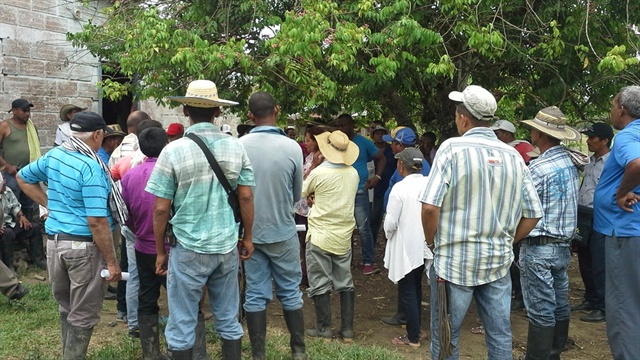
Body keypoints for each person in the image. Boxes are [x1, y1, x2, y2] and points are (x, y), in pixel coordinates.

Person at [420, 85, 543, 360]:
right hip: (497, 262)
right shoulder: (513, 156)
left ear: (463, 118)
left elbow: (429, 207)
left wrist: (431, 243)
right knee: (500, 336)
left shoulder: (452, 149)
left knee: (445, 336)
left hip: (453, 263)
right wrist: (507, 241)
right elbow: (534, 213)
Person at [147, 79, 255, 359]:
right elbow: (245, 197)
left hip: (188, 246)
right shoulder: (236, 147)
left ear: (185, 110)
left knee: (181, 320)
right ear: (217, 112)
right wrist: (248, 237)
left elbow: (160, 209)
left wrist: (160, 251)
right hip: (226, 244)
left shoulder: (172, 151)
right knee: (228, 319)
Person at [17, 111, 123, 359]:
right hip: (83, 249)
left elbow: (22, 177)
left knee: (67, 309)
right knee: (83, 315)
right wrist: (111, 261)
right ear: (97, 135)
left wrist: (49, 204)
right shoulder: (91, 167)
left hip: (55, 245)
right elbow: (97, 222)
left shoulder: (56, 155)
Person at [240, 92, 307, 360]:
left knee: (255, 292)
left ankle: (258, 354)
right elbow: (295, 195)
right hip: (282, 230)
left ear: (250, 116)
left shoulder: (240, 145)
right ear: (277, 110)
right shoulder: (292, 148)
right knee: (290, 291)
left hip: (250, 234)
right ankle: (298, 351)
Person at [519, 106, 584, 360]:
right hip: (562, 245)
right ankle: (554, 353)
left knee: (540, 308)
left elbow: (521, 207)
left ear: (539, 134)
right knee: (559, 302)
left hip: (540, 246)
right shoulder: (569, 161)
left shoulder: (538, 168)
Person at [593, 85, 640, 360]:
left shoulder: (627, 136)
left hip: (624, 231)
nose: (611, 110)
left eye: (612, 105)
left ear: (621, 109)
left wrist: (621, 193)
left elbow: (636, 165)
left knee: (623, 308)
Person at [303, 130, 359, 342]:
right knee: (345, 281)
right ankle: (347, 331)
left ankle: (324, 329)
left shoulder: (320, 172)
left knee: (319, 281)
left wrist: (314, 169)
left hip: (319, 233)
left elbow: (302, 190)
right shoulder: (353, 173)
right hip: (343, 234)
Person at [120, 127, 170, 359]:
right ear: (167, 144)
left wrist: (139, 229)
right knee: (181, 297)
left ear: (140, 147)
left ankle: (151, 352)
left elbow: (127, 215)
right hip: (170, 247)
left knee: (146, 295)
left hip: (142, 245)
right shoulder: (172, 173)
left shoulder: (130, 175)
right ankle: (181, 347)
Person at [379, 126, 430, 328]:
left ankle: (410, 328)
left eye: (393, 143)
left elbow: (396, 216)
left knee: (407, 280)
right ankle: (408, 318)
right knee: (413, 282)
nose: (391, 146)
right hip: (417, 232)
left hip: (405, 230)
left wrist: (387, 232)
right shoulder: (423, 168)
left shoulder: (406, 181)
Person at [489, 119, 536, 312]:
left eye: (498, 133)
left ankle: (520, 295)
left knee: (515, 257)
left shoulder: (522, 148)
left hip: (517, 210)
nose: (495, 136)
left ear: (507, 134)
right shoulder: (500, 149)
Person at [335, 114, 385, 275]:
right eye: (338, 126)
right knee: (344, 227)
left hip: (359, 190)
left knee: (364, 227)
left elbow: (381, 158)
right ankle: (346, 261)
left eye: (344, 125)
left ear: (352, 125)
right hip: (341, 191)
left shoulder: (364, 143)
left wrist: (377, 177)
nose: (341, 128)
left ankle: (368, 261)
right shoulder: (336, 143)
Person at [573, 123, 613, 323]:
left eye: (592, 137)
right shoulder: (589, 161)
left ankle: (602, 306)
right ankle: (590, 298)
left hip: (601, 215)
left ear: (604, 140)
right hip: (584, 214)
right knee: (585, 258)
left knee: (599, 262)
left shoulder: (612, 163)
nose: (588, 140)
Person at [294, 126, 327, 287]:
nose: (304, 143)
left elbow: (308, 181)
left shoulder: (321, 159)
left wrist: (313, 165)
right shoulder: (309, 157)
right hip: (302, 207)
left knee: (310, 242)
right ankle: (306, 272)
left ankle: (311, 275)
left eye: (308, 140)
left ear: (317, 141)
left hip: (312, 208)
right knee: (303, 242)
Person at [0, 98, 41, 220]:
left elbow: (35, 149)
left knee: (29, 205)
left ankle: (27, 234)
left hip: (29, 173)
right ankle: (15, 235)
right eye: (24, 111)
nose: (27, 114)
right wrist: (7, 166)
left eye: (29, 111)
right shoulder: (5, 126)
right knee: (13, 205)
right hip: (12, 173)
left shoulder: (31, 127)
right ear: (14, 111)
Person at [0, 177, 45, 270]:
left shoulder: (7, 190)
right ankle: (8, 266)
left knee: (34, 228)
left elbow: (15, 205)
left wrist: (21, 216)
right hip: (2, 229)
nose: (4, 182)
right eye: (2, 181)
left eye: (4, 179)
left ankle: (39, 259)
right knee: (7, 233)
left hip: (9, 223)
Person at [369, 124, 395, 244]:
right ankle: (372, 245)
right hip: (374, 187)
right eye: (377, 133)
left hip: (390, 187)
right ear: (373, 135)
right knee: (374, 218)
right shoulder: (369, 148)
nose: (380, 136)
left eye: (382, 133)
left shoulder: (392, 149)